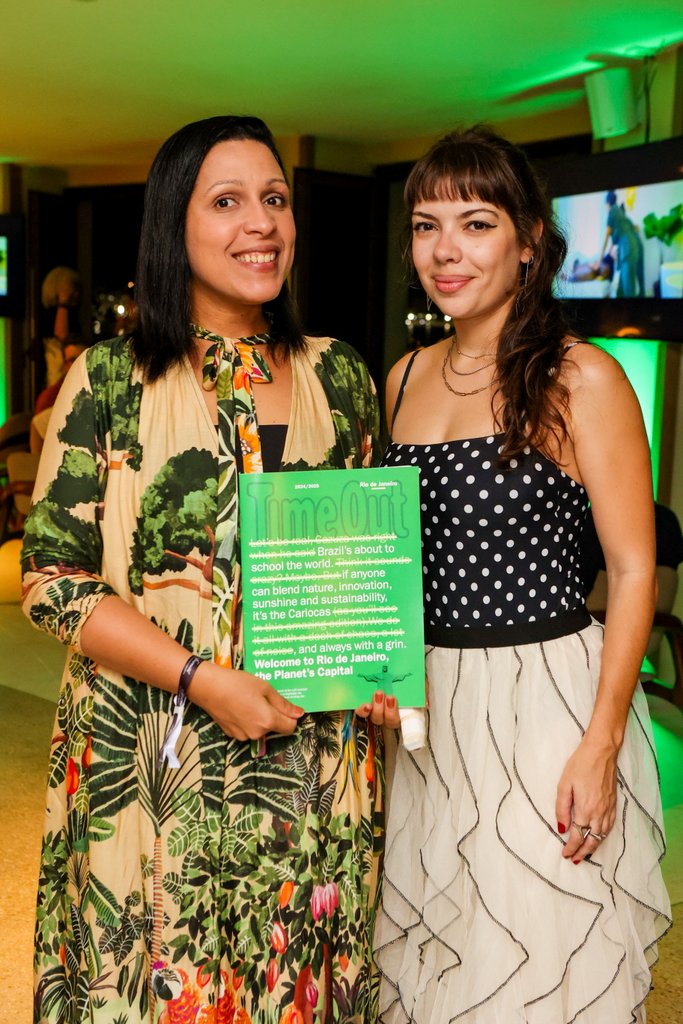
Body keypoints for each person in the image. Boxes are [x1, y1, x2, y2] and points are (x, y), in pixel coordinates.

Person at [22, 115, 394, 1024]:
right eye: (225, 202)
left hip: (312, 761)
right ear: (172, 229)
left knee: (293, 983)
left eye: (273, 199)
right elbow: (52, 582)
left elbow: (364, 566)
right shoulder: (109, 378)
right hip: (151, 757)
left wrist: (385, 671)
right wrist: (201, 678)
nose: (259, 223)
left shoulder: (339, 375)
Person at [373, 126, 671, 1023]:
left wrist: (602, 738)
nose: (445, 250)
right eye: (426, 226)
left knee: (536, 963)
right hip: (428, 709)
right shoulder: (401, 377)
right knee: (440, 954)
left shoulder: (582, 377)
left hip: (544, 699)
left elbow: (630, 569)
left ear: (528, 240)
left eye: (474, 223)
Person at [595, 190, 645, 297]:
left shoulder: (612, 210)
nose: (606, 208)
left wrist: (599, 261)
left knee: (628, 289)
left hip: (629, 249)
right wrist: (608, 254)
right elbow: (613, 242)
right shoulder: (620, 215)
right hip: (635, 246)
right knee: (623, 290)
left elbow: (606, 238)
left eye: (605, 206)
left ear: (607, 203)